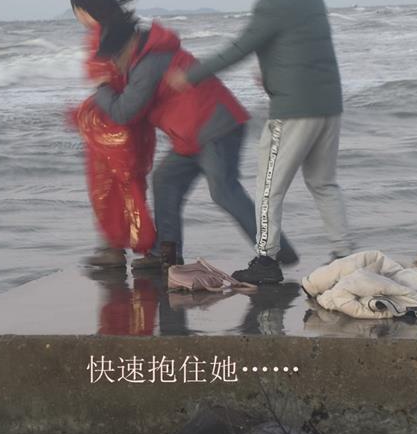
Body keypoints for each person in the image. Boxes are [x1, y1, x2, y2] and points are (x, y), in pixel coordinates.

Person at [170, 0, 352, 285]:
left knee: (269, 187)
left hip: (293, 111)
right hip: (329, 107)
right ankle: (345, 254)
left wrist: (190, 75)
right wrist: (269, 76)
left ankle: (266, 261)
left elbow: (238, 48)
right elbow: (301, 53)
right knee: (323, 183)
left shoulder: (273, 4)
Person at [91, 17, 297, 269]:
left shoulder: (148, 64)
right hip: (191, 136)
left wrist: (102, 89)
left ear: (129, 45)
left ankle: (277, 251)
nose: (114, 63)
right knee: (165, 180)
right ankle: (167, 255)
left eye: (115, 56)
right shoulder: (148, 56)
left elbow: (124, 112)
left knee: (224, 192)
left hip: (215, 128)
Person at [68, 0, 158, 269]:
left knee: (106, 187)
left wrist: (87, 112)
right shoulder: (127, 30)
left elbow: (104, 83)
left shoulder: (100, 37)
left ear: (82, 10)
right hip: (137, 120)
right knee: (132, 185)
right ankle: (140, 247)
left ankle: (119, 248)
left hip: (112, 125)